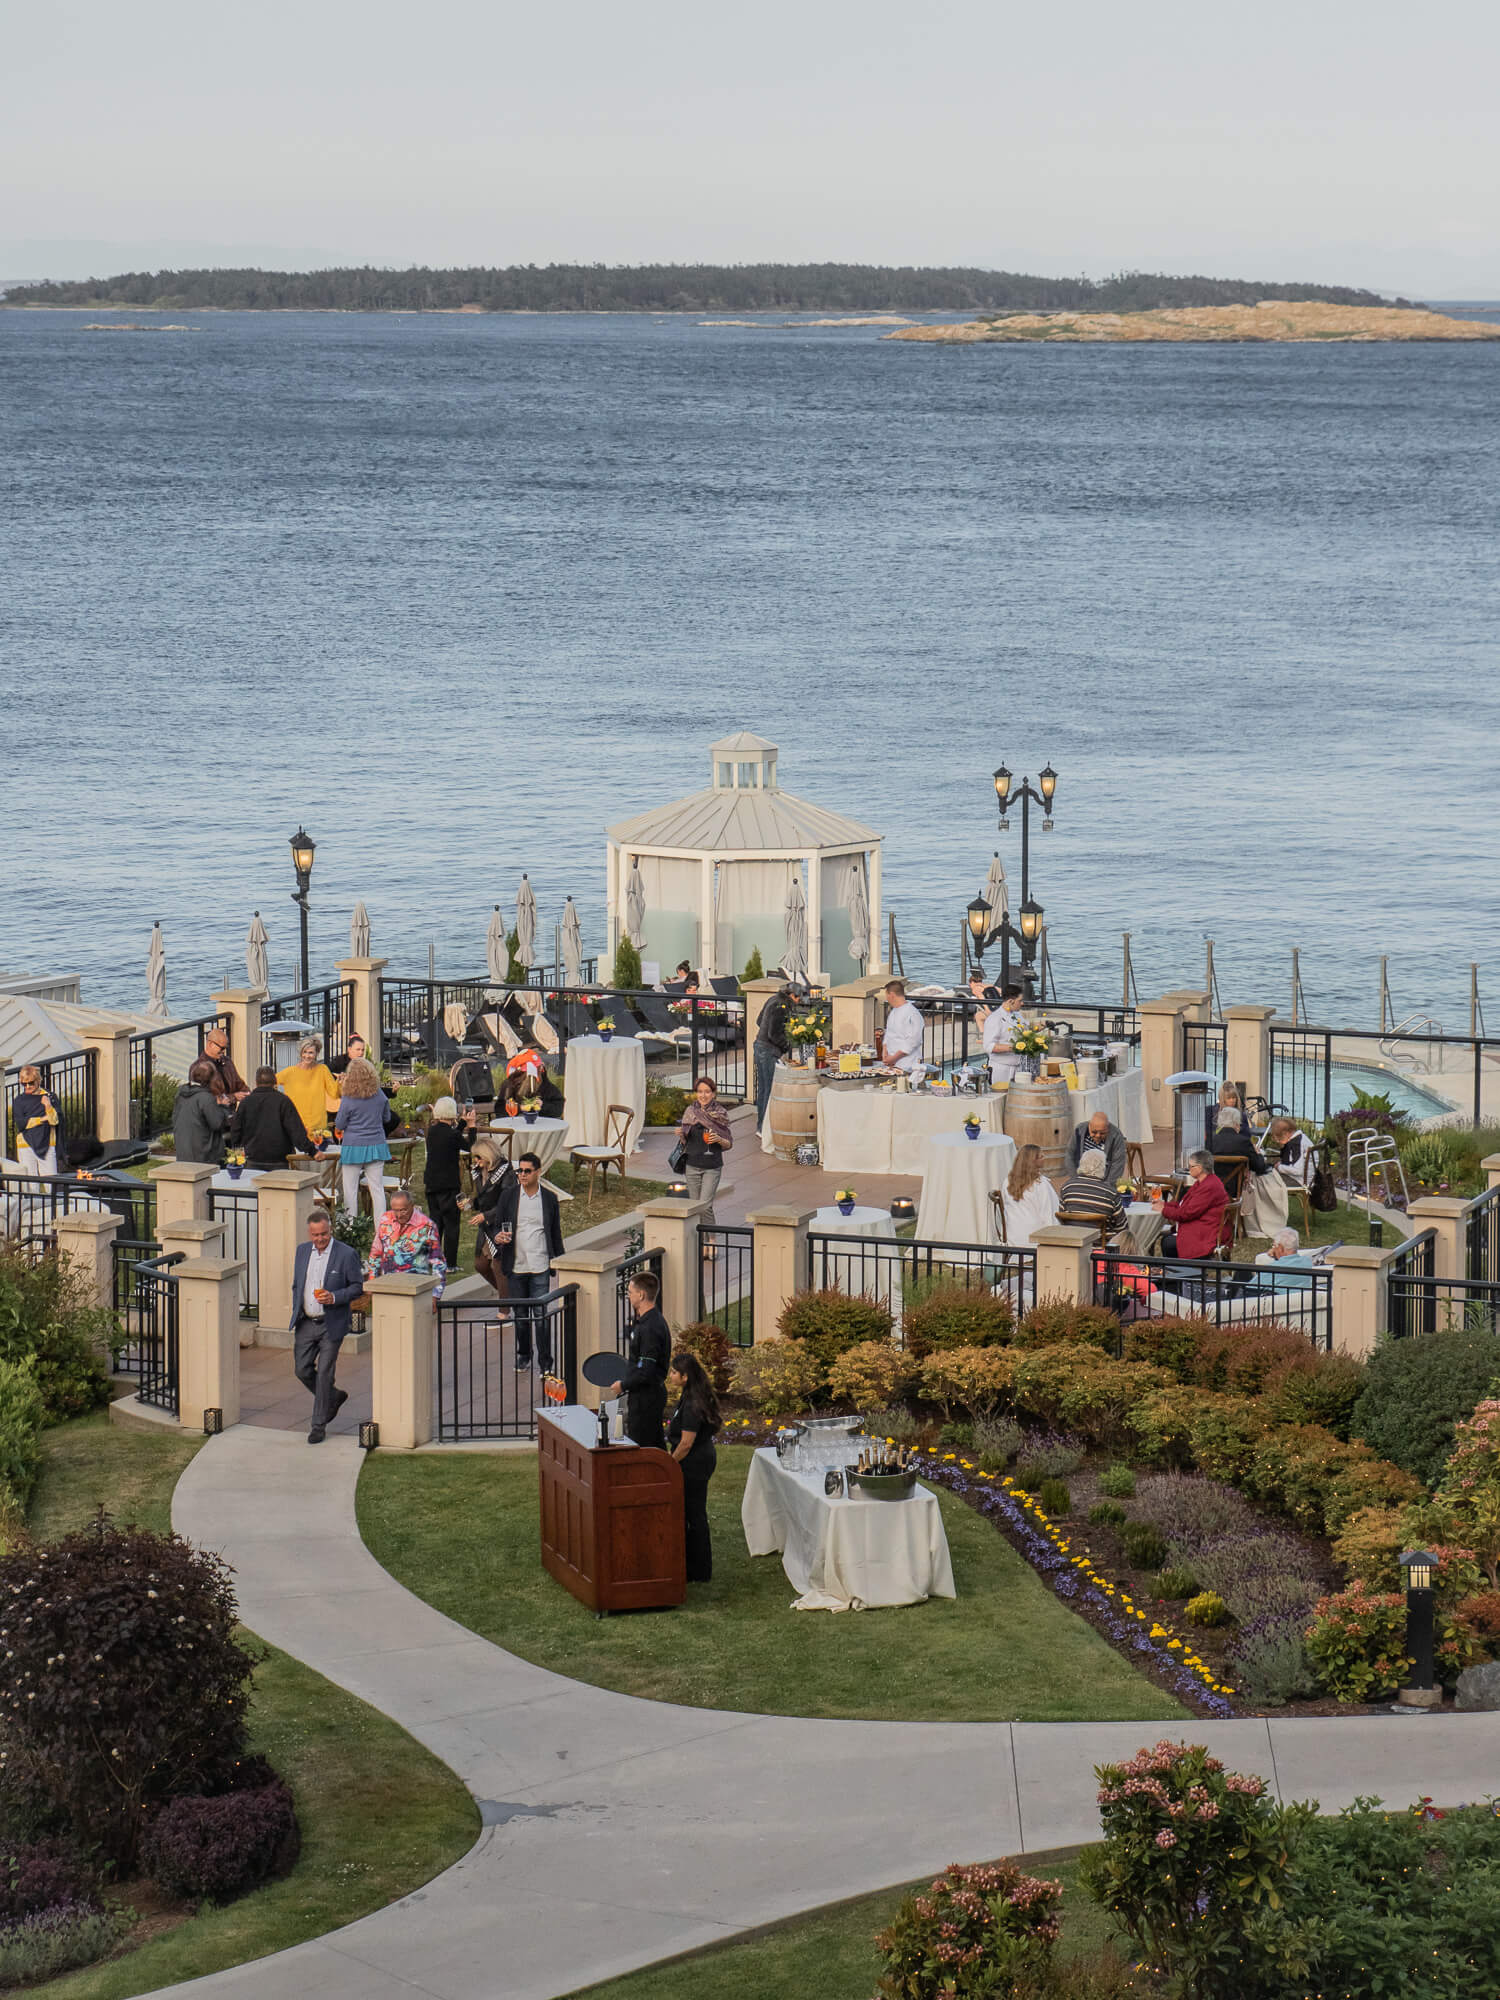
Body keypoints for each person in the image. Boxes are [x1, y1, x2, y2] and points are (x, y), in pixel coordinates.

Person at [289, 1209, 364, 1443]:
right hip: (305, 1321)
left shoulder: (346, 1254)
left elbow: (357, 1287)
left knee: (323, 1373)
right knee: (301, 1370)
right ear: (309, 1233)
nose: (320, 1239)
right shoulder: (302, 1251)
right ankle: (333, 1397)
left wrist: (334, 1297)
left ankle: (318, 1426)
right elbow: (297, 1284)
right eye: (315, 1235)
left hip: (331, 1323)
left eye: (323, 1234)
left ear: (330, 1229)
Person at [489, 1152, 565, 1370]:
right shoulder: (509, 1196)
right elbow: (497, 1225)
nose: (522, 1174)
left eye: (527, 1170)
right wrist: (497, 1236)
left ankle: (545, 1362)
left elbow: (555, 1231)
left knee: (540, 1315)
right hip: (516, 1265)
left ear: (538, 1172)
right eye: (519, 1170)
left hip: (540, 1263)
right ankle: (524, 1355)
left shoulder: (549, 1198)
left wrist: (559, 1260)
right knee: (521, 1314)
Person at [667, 1349, 720, 1582]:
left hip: (694, 1463)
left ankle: (699, 1569)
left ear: (685, 1376)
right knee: (691, 1512)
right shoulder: (689, 1395)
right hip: (696, 1459)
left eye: (674, 1372)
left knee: (694, 1514)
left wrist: (668, 1464)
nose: (671, 1375)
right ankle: (693, 1564)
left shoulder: (692, 1405)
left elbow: (686, 1444)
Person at [608, 1267, 671, 1449]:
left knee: (643, 1446)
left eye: (630, 1292)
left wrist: (623, 1385)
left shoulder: (650, 1328)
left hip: (646, 1399)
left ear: (641, 1295)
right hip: (645, 1396)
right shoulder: (648, 1321)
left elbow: (646, 1371)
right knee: (654, 1442)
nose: (628, 1296)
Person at [333, 1057, 393, 1221]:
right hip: (376, 1144)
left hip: (353, 1146)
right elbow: (387, 1118)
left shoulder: (348, 1098)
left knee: (350, 1190)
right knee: (377, 1189)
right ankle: (380, 1229)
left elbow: (339, 1123)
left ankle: (351, 1227)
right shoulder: (380, 1095)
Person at [1211, 1111, 1287, 1240]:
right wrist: (1257, 1154)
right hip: (1237, 1188)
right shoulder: (1243, 1141)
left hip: (1213, 1187)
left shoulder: (1211, 1140)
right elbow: (1259, 1167)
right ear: (1236, 1124)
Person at [367, 1186, 448, 1299]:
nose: (399, 1215)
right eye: (395, 1210)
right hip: (387, 1287)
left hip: (415, 1289)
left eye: (403, 1210)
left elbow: (438, 1262)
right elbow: (376, 1252)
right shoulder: (386, 1219)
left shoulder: (427, 1226)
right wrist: (372, 1281)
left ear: (412, 1206)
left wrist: (435, 1295)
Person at [422, 1095, 475, 1268]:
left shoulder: (432, 1132)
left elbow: (452, 1136)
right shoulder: (452, 1135)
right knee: (452, 1224)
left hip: (432, 1183)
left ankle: (433, 1258)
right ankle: (451, 1263)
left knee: (436, 1222)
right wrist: (471, 1126)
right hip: (449, 1185)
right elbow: (469, 1146)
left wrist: (461, 1124)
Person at [229, 1066, 312, 1170]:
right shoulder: (283, 1101)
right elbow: (296, 1130)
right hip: (280, 1160)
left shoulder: (246, 1103)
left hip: (253, 1159)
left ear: (256, 1082)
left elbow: (236, 1130)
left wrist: (237, 1152)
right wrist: (312, 1150)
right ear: (275, 1082)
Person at [677, 1076, 732, 1228]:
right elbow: (686, 1142)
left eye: (707, 1092)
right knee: (695, 1207)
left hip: (712, 1167)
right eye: (700, 1091)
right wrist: (681, 1134)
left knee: (705, 1206)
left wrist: (719, 1140)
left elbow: (728, 1144)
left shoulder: (720, 1114)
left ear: (713, 1093)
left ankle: (710, 1241)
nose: (703, 1095)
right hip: (692, 1165)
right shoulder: (690, 1112)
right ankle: (699, 1240)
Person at [1152, 1150, 1229, 1258]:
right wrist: (1165, 1205)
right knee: (1167, 1239)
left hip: (1206, 1233)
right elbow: (1183, 1205)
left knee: (1168, 1242)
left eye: (1191, 1166)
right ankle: (1176, 1271)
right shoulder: (1204, 1182)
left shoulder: (1209, 1186)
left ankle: (1179, 1272)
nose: (1188, 1169)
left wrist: (1164, 1210)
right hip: (1204, 1227)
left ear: (1200, 1168)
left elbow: (1186, 1213)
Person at [463, 1136, 515, 1293]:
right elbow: (483, 1198)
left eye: (478, 1157)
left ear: (487, 1155)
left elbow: (507, 1203)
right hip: (486, 1225)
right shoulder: (479, 1172)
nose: (476, 1160)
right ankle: (509, 1294)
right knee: (480, 1265)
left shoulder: (507, 1173)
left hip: (501, 1223)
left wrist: (486, 1216)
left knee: (499, 1265)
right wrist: (470, 1203)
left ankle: (504, 1309)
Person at [276, 1036, 341, 1145]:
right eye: (304, 1052)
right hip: (297, 1127)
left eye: (311, 1052)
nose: (307, 1056)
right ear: (300, 1053)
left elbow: (334, 1093)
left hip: (318, 1129)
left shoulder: (323, 1070)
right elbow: (269, 1082)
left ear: (316, 1054)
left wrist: (339, 1082)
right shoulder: (290, 1072)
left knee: (319, 1159)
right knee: (297, 1161)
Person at [1058, 1150, 1129, 1242]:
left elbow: (1063, 1218)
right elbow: (1122, 1228)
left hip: (1073, 1247)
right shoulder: (1110, 1193)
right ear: (1103, 1168)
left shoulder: (1067, 1188)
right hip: (1101, 1250)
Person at [998, 1142, 1061, 1246]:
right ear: (1033, 1162)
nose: (1044, 1158)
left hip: (1012, 1235)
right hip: (1034, 1237)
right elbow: (1050, 1216)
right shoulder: (1042, 1185)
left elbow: (1005, 1208)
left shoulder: (1007, 1181)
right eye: (1041, 1157)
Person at [173, 1059, 230, 1165]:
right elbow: (217, 1123)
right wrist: (224, 1107)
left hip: (184, 1153)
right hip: (204, 1156)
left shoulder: (180, 1094)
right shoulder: (206, 1098)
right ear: (211, 1079)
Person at [753, 975, 792, 1129]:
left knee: (763, 1089)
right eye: (797, 998)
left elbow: (758, 1021)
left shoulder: (772, 999)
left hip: (759, 1046)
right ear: (791, 995)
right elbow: (774, 1034)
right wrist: (786, 1045)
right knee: (769, 1089)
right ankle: (765, 1128)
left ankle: (760, 1126)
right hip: (769, 1050)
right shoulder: (781, 1006)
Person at [11, 1066, 61, 1174]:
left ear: (38, 1081)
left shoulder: (50, 1097)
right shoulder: (19, 1100)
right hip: (25, 1144)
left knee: (51, 1183)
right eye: (24, 1084)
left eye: (31, 1083)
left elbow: (54, 1120)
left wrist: (47, 1106)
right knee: (29, 1185)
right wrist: (42, 1119)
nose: (27, 1086)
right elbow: (21, 1123)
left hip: (47, 1142)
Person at [978, 983, 1028, 1084]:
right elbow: (988, 1046)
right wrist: (1013, 1048)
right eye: (1020, 1001)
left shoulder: (1017, 1015)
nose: (1022, 1003)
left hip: (1018, 1067)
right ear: (1010, 1001)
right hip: (1001, 1069)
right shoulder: (995, 1019)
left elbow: (1026, 1029)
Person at [1064, 1110, 1127, 1183]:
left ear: (1108, 1128)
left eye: (1102, 1133)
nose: (1098, 1135)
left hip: (1105, 1182)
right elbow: (1069, 1155)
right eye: (1094, 1132)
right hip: (1080, 1178)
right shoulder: (1079, 1130)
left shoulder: (1116, 1135)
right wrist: (1076, 1179)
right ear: (1089, 1126)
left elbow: (1118, 1165)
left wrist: (1107, 1187)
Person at [880, 979, 926, 1076]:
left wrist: (894, 1058)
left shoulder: (912, 1013)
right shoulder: (893, 1012)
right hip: (892, 1066)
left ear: (891, 995)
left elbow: (913, 1041)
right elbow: (888, 1034)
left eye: (887, 996)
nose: (887, 999)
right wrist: (885, 1051)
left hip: (908, 1065)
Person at [200, 1024, 249, 1105]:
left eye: (225, 1048)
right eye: (222, 1048)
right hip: (213, 1114)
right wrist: (234, 1097)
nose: (223, 1051)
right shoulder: (199, 1067)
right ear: (210, 1044)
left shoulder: (227, 1061)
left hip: (229, 1113)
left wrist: (248, 1093)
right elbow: (207, 1100)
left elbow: (239, 1083)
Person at [1267, 1117, 1318, 1188]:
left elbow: (1298, 1171)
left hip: (1300, 1181)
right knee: (1268, 1177)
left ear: (1285, 1133)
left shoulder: (1295, 1144)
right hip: (1307, 1178)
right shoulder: (1301, 1138)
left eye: (1278, 1138)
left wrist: (1279, 1167)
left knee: (1265, 1180)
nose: (1277, 1141)